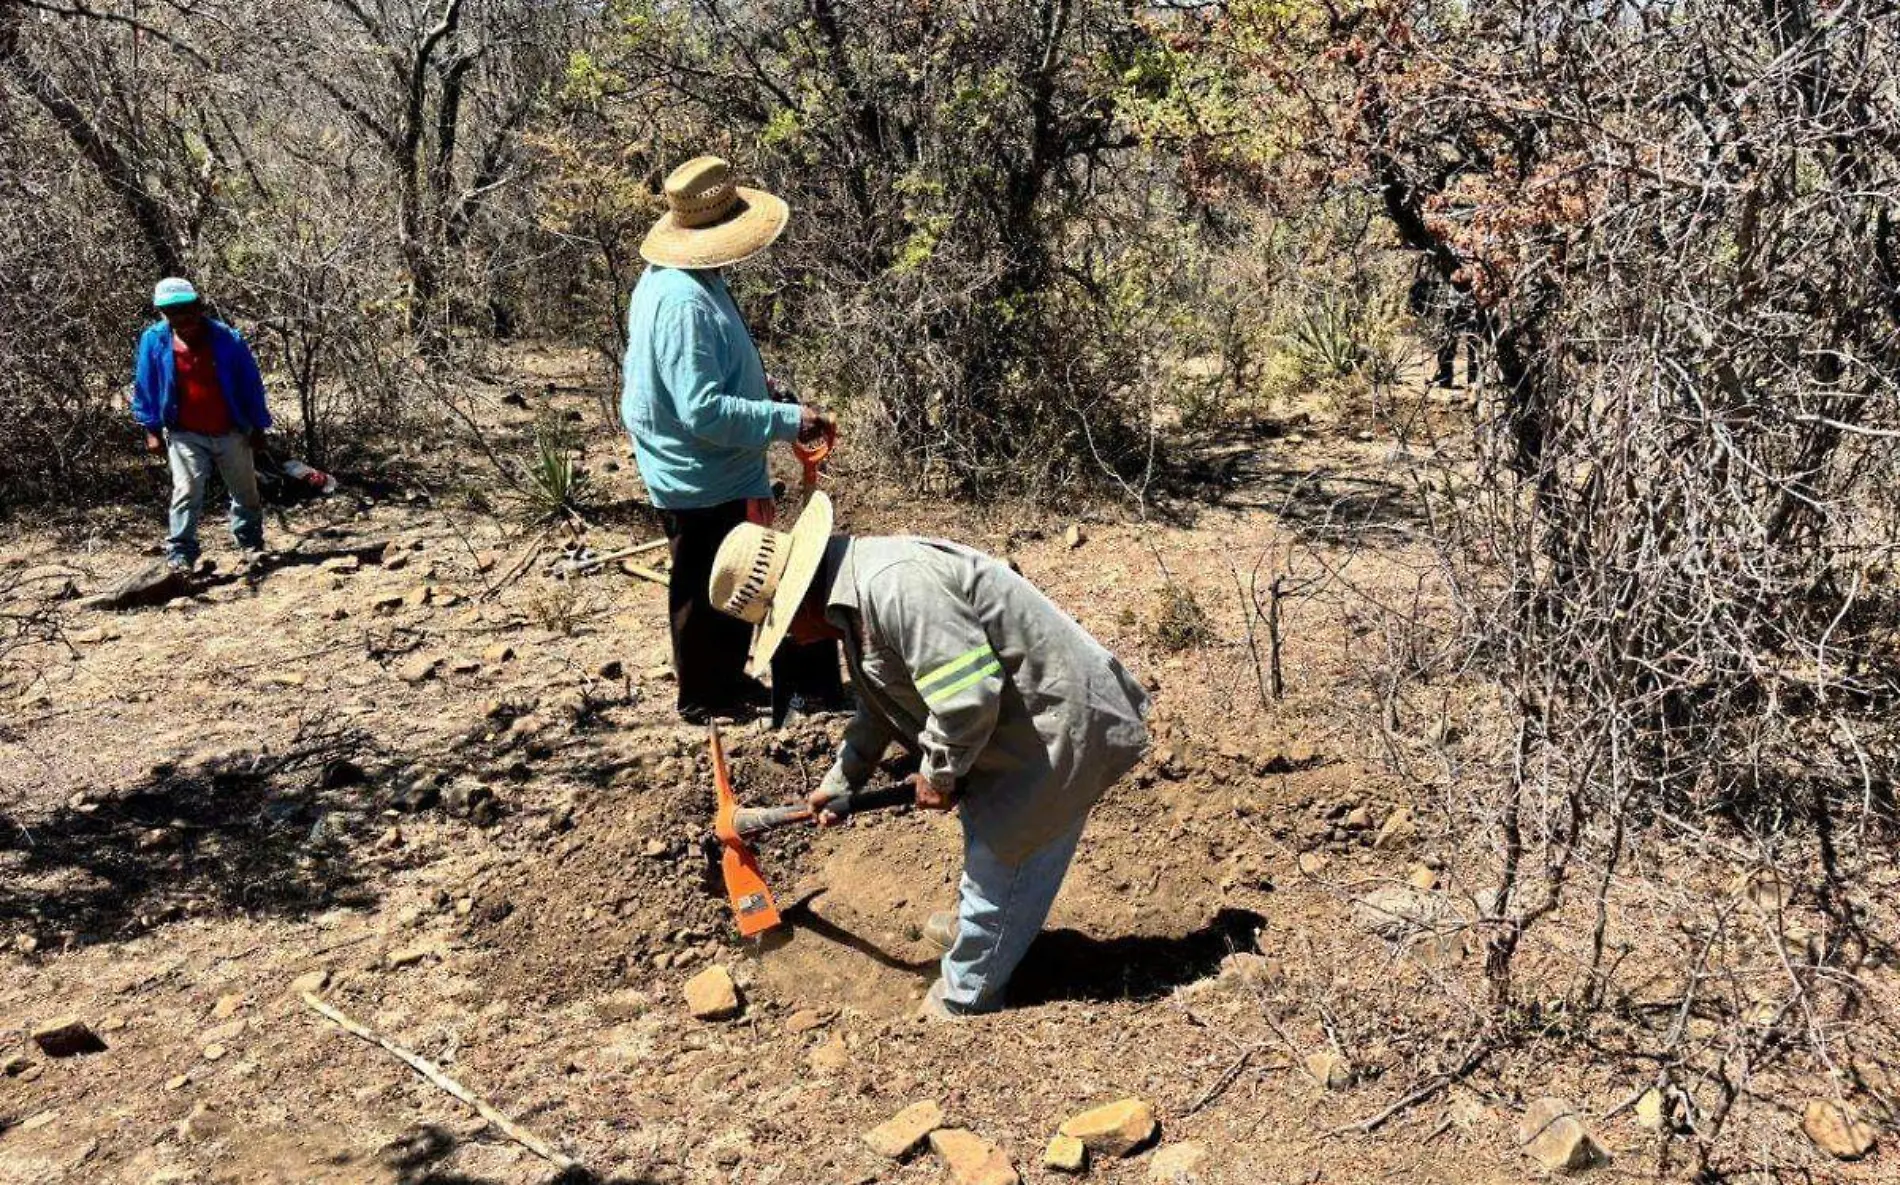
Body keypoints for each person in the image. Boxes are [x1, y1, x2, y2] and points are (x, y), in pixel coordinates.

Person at [708, 493, 1152, 1018]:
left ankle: (966, 998)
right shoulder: (855, 601)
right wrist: (843, 780)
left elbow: (968, 698)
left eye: (783, 630)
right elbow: (881, 706)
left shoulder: (895, 585)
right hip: (1012, 729)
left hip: (1057, 729)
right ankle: (980, 928)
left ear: (799, 596)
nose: (796, 644)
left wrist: (939, 771)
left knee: (1006, 848)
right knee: (991, 831)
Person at [621, 154, 837, 723]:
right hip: (700, 469)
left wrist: (764, 391)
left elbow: (700, 377)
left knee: (713, 581)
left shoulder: (682, 281)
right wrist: (787, 420)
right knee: (712, 582)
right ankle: (706, 698)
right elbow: (704, 410)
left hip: (698, 464)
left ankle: (719, 687)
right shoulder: (683, 301)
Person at [131, 278, 273, 572]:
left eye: (186, 309)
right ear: (162, 313)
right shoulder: (154, 340)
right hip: (185, 433)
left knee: (245, 491)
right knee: (186, 490)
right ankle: (181, 553)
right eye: (172, 312)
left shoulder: (227, 339)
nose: (182, 318)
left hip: (231, 429)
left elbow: (250, 385)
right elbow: (146, 386)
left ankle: (251, 545)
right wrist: (152, 430)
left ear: (198, 306)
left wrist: (258, 426)